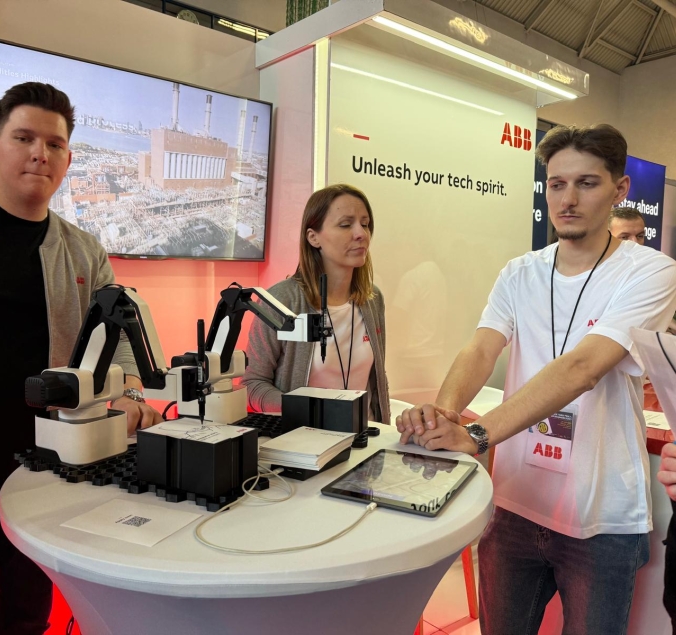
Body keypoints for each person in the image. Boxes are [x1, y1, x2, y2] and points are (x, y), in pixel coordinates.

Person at [0, 82, 161, 635]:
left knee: (24, 620)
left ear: (68, 159)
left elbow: (120, 335)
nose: (40, 153)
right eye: (23, 138)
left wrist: (133, 397)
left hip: (40, 473)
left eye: (55, 144)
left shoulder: (84, 251)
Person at [396, 123, 676, 634]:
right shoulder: (520, 271)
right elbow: (482, 347)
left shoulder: (650, 272)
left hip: (602, 517)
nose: (567, 199)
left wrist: (476, 434)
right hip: (515, 505)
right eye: (557, 184)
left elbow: (583, 368)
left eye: (586, 183)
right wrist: (445, 413)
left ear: (619, 189)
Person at [242, 183, 390, 424]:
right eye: (346, 224)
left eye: (365, 224)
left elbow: (378, 380)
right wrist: (311, 411)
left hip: (365, 437)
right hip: (302, 439)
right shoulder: (281, 301)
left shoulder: (373, 299)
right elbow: (253, 384)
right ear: (313, 237)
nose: (361, 234)